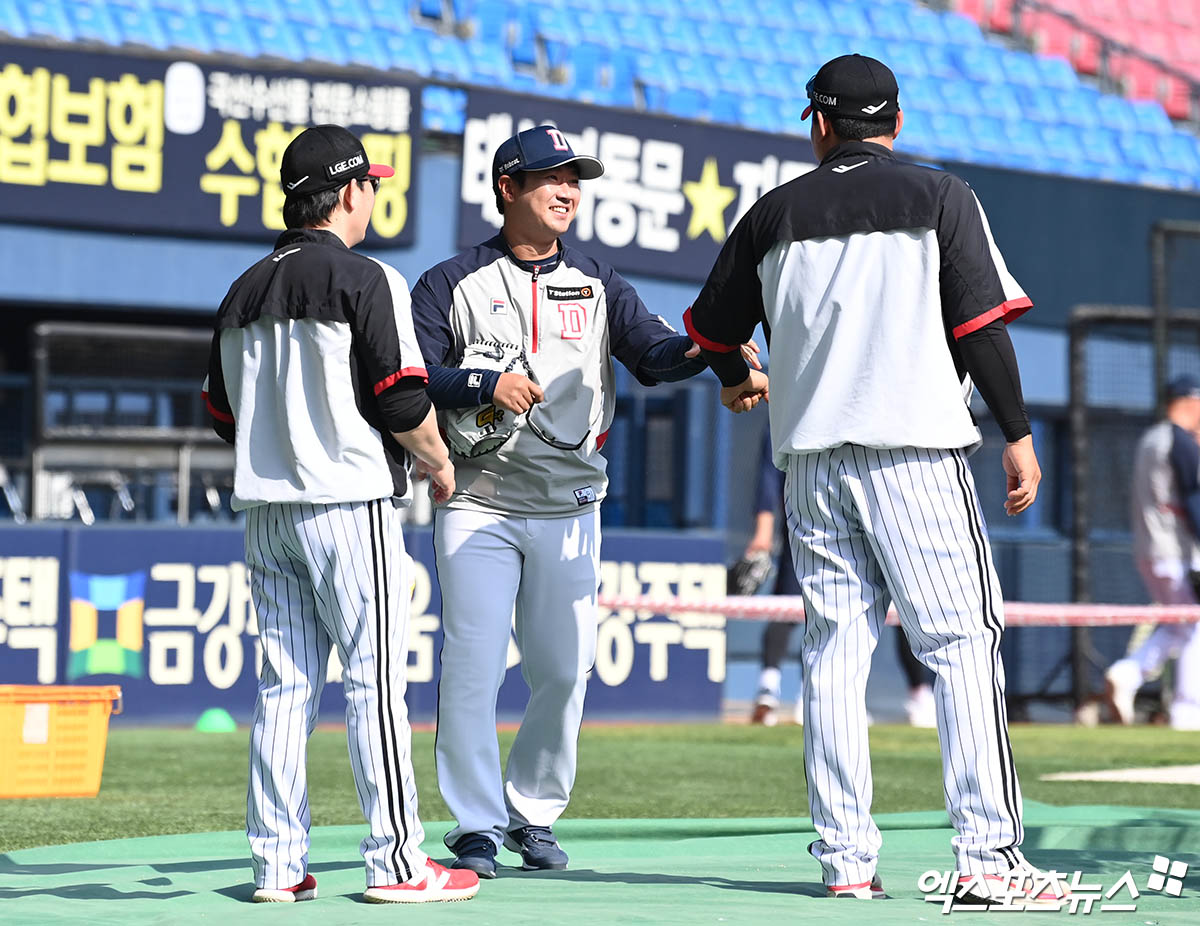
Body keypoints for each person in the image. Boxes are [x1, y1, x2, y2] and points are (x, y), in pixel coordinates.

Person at [684, 55, 1061, 907]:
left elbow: (710, 328)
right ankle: (988, 862)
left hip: (813, 464)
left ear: (818, 124)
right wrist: (1018, 432)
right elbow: (979, 327)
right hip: (913, 452)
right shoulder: (940, 196)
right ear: (896, 123)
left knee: (833, 653)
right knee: (962, 647)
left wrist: (733, 375)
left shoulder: (770, 212)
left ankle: (846, 861)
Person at [410, 124, 754, 879]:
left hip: (571, 505)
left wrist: (712, 346)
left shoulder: (600, 279)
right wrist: (480, 384)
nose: (569, 190)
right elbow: (409, 376)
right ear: (508, 188)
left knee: (564, 670)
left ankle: (532, 813)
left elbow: (656, 359)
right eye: (551, 177)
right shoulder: (447, 282)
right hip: (480, 500)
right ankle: (473, 825)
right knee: (472, 663)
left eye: (576, 178)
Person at [203, 124, 479, 905]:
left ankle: (275, 867)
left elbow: (223, 414)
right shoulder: (368, 278)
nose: (374, 197)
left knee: (285, 688)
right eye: (372, 185)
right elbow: (400, 396)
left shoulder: (242, 289)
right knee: (375, 682)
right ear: (351, 190)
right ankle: (397, 862)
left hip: (267, 512)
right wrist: (436, 459)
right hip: (347, 507)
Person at [744, 433, 937, 728]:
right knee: (801, 607)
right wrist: (764, 528)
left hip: (852, 514)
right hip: (818, 517)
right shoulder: (789, 406)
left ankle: (918, 694)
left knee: (891, 609)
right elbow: (769, 472)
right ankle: (787, 693)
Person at [1104, 374, 1200, 730]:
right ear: (1190, 402)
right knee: (1192, 627)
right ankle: (1188, 713)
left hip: (1148, 548)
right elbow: (1193, 499)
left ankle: (1127, 674)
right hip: (1175, 550)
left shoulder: (1151, 438)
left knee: (1179, 626)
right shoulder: (1180, 441)